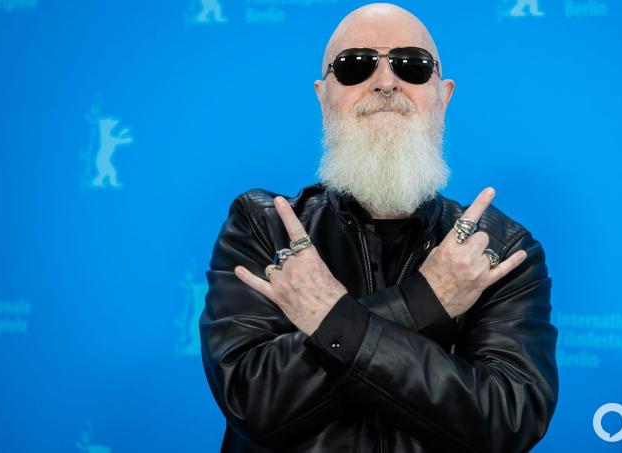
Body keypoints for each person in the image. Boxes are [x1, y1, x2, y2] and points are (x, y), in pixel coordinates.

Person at [199, 3, 559, 452]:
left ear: (443, 95)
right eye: (355, 66)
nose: (386, 83)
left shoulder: (497, 250)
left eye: (412, 65)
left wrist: (329, 322)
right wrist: (426, 303)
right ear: (323, 95)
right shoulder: (264, 228)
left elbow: (508, 420)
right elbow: (253, 400)